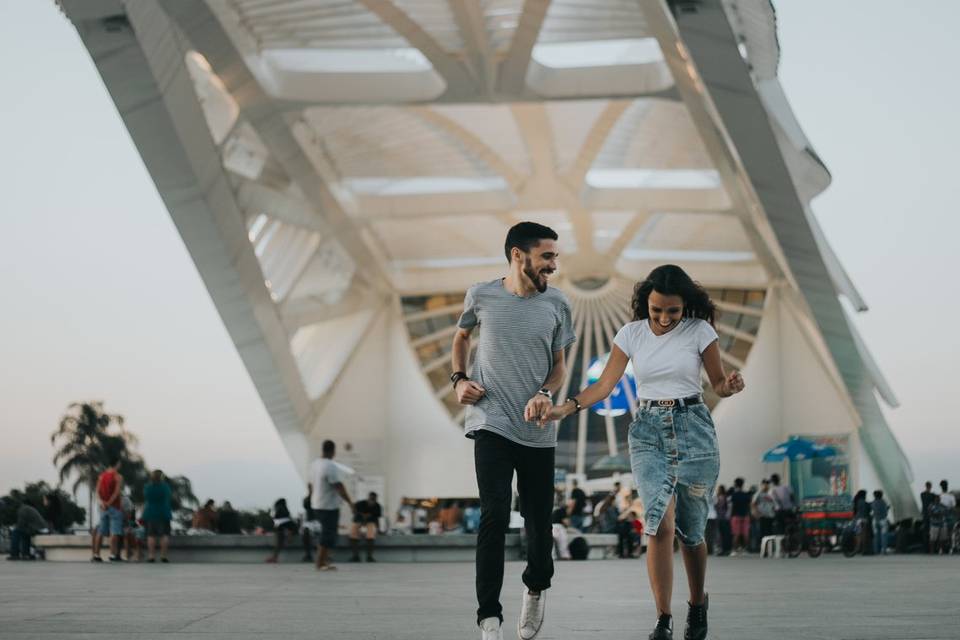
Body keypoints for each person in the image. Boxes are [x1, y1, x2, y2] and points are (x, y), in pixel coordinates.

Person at [545, 264, 744, 640]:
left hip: (694, 431)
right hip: (649, 431)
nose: (665, 318)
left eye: (673, 310)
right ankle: (663, 620)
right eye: (657, 310)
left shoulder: (700, 331)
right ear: (645, 304)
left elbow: (717, 382)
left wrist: (730, 385)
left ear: (685, 305)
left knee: (691, 533)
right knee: (657, 523)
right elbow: (605, 385)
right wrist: (566, 407)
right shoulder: (631, 334)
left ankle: (697, 603)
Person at [452, 221, 575, 640]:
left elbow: (559, 368)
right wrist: (459, 379)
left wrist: (544, 391)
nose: (554, 265)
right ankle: (489, 616)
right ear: (518, 255)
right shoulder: (481, 294)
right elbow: (461, 337)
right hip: (491, 420)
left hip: (538, 429)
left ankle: (536, 586)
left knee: (538, 522)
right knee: (494, 513)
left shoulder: (557, 303)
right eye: (547, 256)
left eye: (555, 257)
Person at [310, 440, 354, 571]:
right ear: (333, 451)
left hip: (316, 503)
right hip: (328, 506)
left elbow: (310, 485)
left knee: (326, 533)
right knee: (328, 534)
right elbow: (339, 486)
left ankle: (324, 561)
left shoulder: (314, 464)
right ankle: (320, 563)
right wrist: (350, 503)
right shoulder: (330, 466)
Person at [91, 457, 124, 562]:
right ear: (117, 464)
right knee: (115, 531)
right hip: (115, 507)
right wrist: (109, 503)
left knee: (101, 531)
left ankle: (96, 555)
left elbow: (97, 491)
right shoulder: (118, 476)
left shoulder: (102, 476)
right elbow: (117, 492)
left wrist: (102, 503)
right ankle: (112, 554)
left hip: (103, 507)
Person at [142, 469, 172, 563]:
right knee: (164, 535)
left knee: (151, 535)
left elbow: (146, 497)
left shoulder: (147, 487)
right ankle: (163, 556)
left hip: (150, 513)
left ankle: (151, 556)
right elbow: (169, 496)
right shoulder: (165, 487)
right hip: (163, 512)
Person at [350, 492, 382, 562]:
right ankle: (355, 556)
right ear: (368, 498)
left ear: (376, 500)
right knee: (353, 534)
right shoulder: (361, 503)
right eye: (371, 500)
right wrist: (361, 514)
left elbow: (377, 519)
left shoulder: (377, 506)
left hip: (370, 522)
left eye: (373, 500)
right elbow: (353, 508)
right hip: (358, 520)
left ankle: (369, 556)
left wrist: (378, 529)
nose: (372, 502)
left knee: (371, 535)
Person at [265, 498, 299, 563]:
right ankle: (274, 557)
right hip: (288, 527)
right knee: (279, 540)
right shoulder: (285, 513)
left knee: (279, 541)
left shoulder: (278, 511)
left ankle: (274, 557)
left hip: (283, 527)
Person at [729, 478, 751, 556]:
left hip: (735, 516)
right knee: (745, 534)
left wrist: (730, 516)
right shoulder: (746, 494)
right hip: (745, 516)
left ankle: (734, 550)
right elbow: (749, 506)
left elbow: (731, 507)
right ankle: (745, 549)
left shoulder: (733, 495)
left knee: (736, 534)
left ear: (735, 484)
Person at [713, 485, 731, 556]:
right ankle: (726, 549)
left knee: (720, 534)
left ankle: (722, 549)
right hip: (725, 518)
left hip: (720, 518)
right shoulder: (726, 497)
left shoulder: (720, 498)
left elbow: (717, 506)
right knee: (725, 534)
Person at [871, 490, 890, 555]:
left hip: (875, 520)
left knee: (876, 536)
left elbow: (872, 510)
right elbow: (886, 510)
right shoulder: (883, 502)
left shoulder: (873, 502)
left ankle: (876, 550)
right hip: (883, 520)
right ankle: (883, 550)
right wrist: (888, 508)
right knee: (883, 536)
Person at [920, 481, 936, 552]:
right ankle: (931, 548)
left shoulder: (922, 494)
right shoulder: (932, 495)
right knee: (931, 532)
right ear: (930, 486)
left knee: (925, 532)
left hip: (924, 514)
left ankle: (925, 547)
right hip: (930, 515)